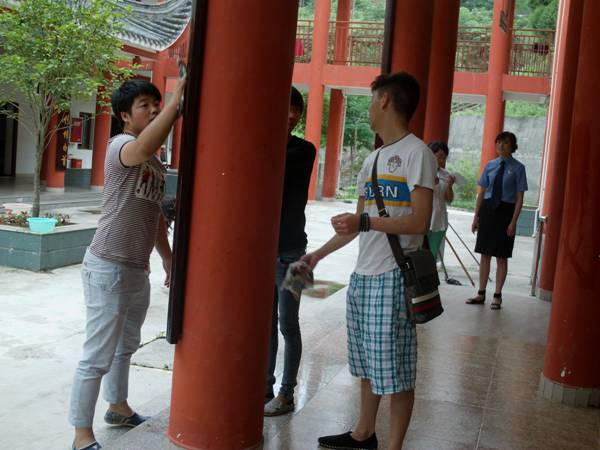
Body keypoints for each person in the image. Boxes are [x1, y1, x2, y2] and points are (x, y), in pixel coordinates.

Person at [303, 72, 436, 450]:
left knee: (396, 371)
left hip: (393, 277)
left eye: (372, 98)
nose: (369, 106)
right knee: (365, 361)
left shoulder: (418, 154)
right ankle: (363, 433)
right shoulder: (373, 159)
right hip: (362, 277)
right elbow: (357, 224)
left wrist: (366, 222)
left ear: (385, 100)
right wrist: (318, 255)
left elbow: (419, 221)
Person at [69, 77, 185, 450]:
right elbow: (146, 143)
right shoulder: (121, 145)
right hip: (107, 264)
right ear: (124, 115)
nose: (153, 109)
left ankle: (117, 407)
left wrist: (167, 260)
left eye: (156, 104)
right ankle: (81, 435)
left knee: (126, 346)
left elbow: (155, 217)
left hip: (137, 268)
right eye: (144, 105)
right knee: (97, 355)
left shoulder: (155, 163)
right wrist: (176, 102)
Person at [264, 86, 316, 416]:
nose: (292, 115)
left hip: (295, 254)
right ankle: (264, 388)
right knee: (266, 325)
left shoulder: (305, 150)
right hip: (263, 253)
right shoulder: (262, 145)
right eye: (286, 108)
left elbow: (275, 167)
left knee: (289, 324)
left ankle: (286, 393)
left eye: (296, 109)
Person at [467, 131, 527, 310]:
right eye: (499, 142)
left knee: (501, 255)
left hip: (506, 212)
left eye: (505, 143)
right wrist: (476, 217)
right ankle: (481, 293)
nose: (501, 145)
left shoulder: (518, 168)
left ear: (512, 146)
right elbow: (481, 192)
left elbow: (519, 198)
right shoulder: (490, 165)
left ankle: (497, 296)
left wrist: (513, 222)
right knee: (484, 253)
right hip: (488, 210)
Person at [427, 141, 454, 261]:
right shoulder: (422, 171)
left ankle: (430, 272)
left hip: (439, 220)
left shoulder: (446, 174)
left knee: (432, 254)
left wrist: (449, 186)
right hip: (424, 218)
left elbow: (449, 199)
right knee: (419, 252)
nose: (441, 160)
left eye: (444, 157)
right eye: (439, 156)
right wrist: (429, 182)